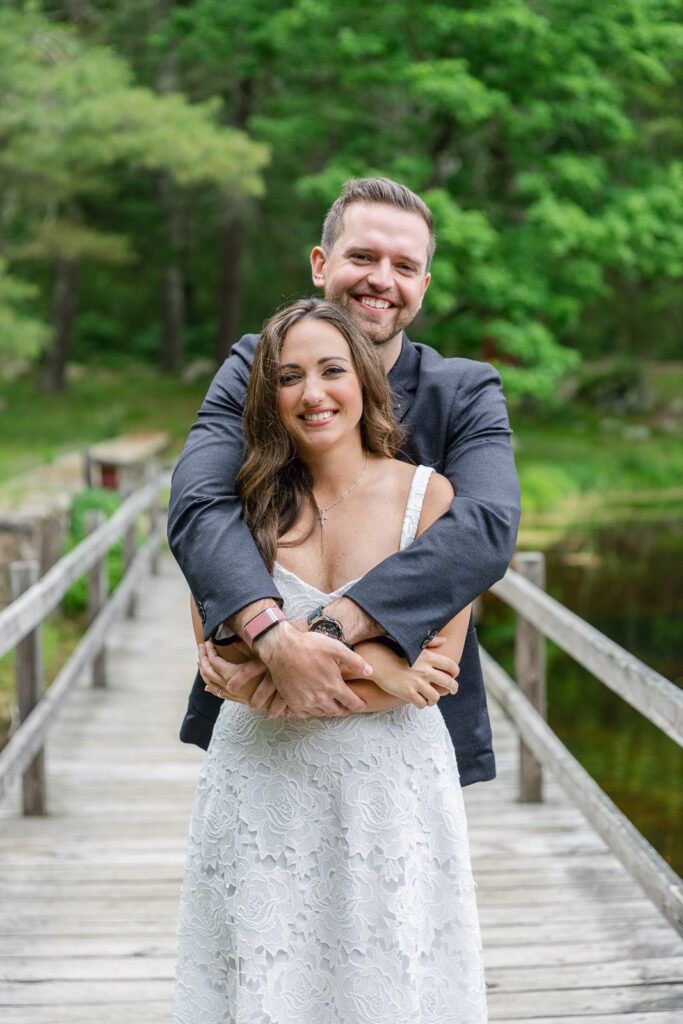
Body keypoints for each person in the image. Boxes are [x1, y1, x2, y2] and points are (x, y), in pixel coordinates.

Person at [174, 298, 488, 1023]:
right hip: (262, 786)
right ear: (266, 395)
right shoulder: (238, 511)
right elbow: (223, 667)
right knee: (263, 985)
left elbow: (437, 675)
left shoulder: (429, 499)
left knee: (389, 982)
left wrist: (289, 664)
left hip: (391, 791)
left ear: (364, 380)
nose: (312, 393)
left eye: (330, 370)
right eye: (288, 377)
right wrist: (385, 668)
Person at [168, 176, 521, 786]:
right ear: (320, 264)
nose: (381, 279)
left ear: (423, 286)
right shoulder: (254, 369)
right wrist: (272, 642)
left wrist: (327, 634)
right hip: (260, 733)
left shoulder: (465, 391)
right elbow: (201, 503)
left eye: (404, 265)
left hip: (404, 737)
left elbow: (484, 529)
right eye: (362, 257)